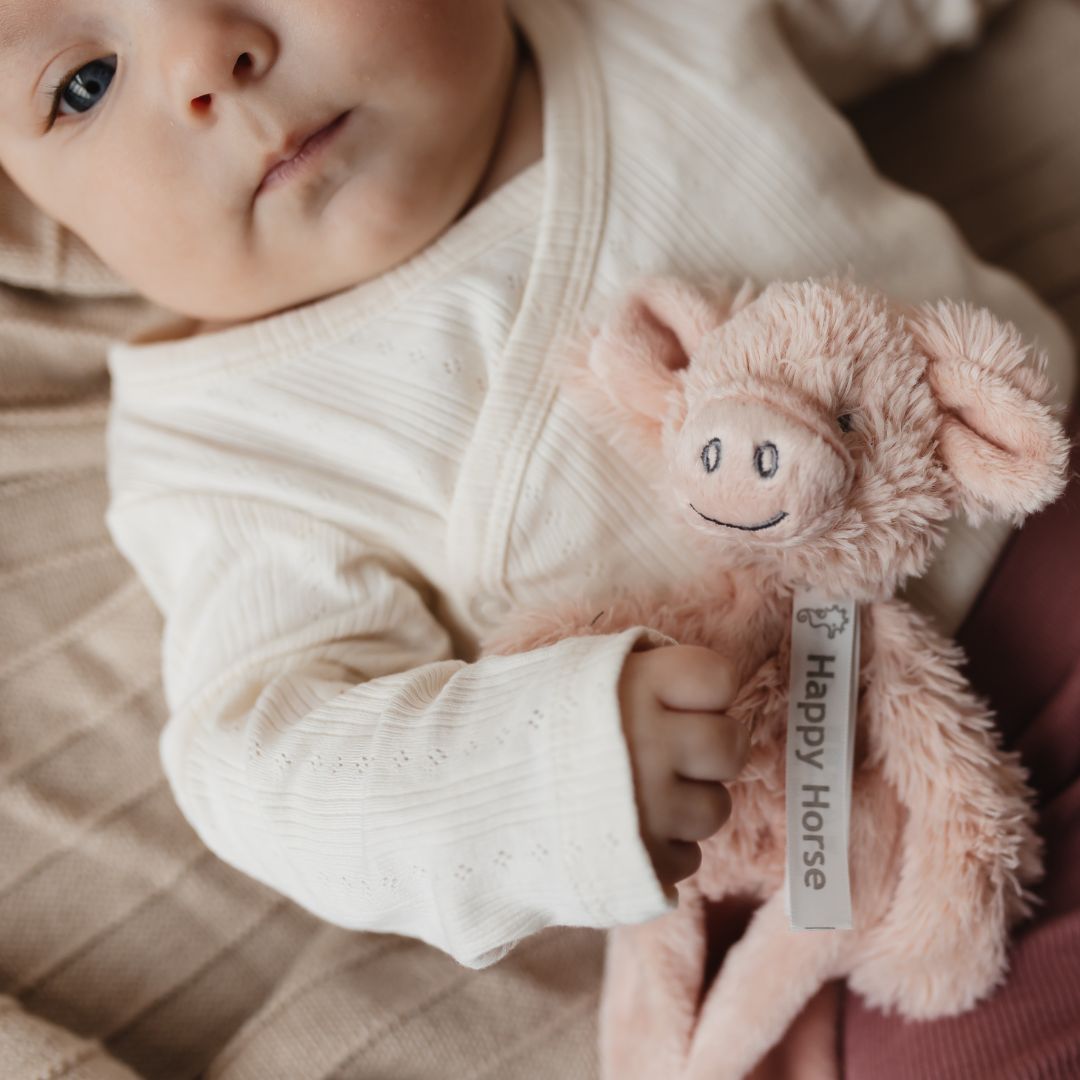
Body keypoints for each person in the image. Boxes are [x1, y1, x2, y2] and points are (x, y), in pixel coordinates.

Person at [0, 0, 1073, 983]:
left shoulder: (644, 21)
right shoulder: (219, 447)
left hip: (1046, 527)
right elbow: (267, 754)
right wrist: (550, 773)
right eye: (82, 85)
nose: (206, 58)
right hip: (836, 855)